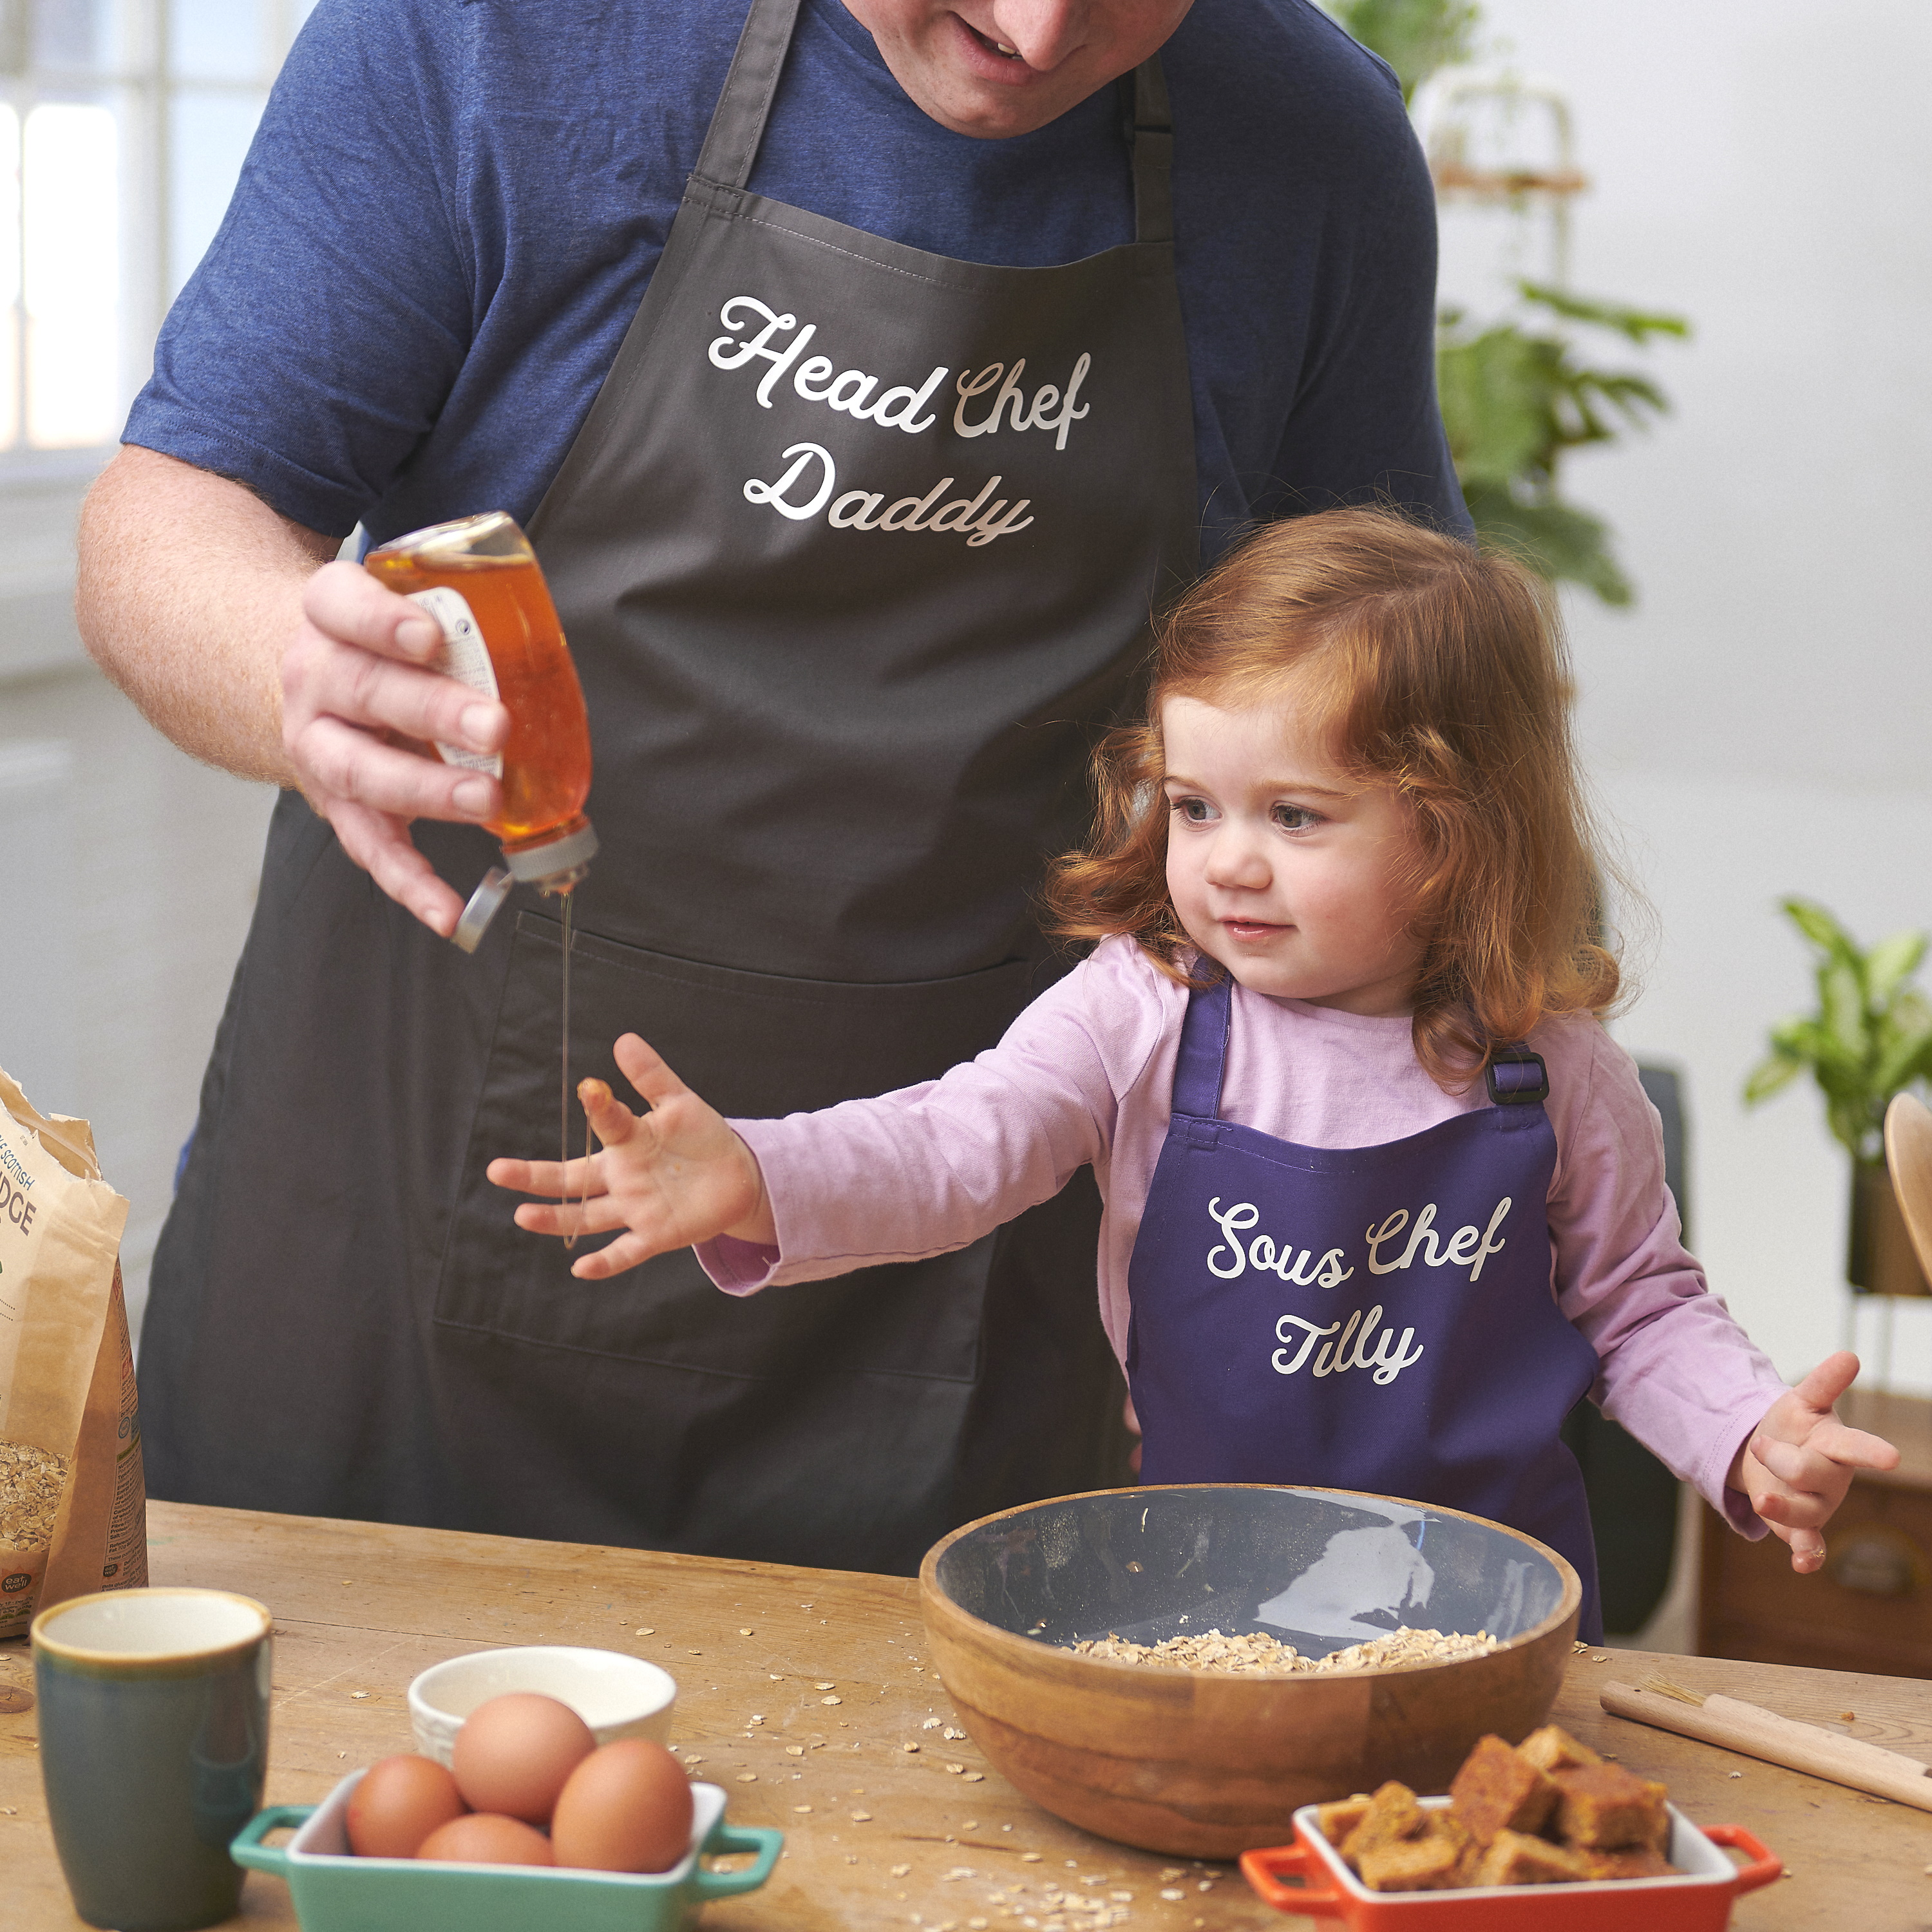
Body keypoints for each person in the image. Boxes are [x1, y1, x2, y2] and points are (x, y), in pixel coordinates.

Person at [80, 0, 1471, 1573]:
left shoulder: (1312, 147)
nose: (1032, 27)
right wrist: (290, 664)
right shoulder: (491, 38)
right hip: (390, 1275)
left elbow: (1400, 724)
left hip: (965, 1320)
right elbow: (162, 528)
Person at [488, 508, 1900, 1641]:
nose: (1227, 860)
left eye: (1295, 816)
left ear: (1457, 835)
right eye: (1196, 805)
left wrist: (1746, 1434)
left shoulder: (1553, 1069)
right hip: (1207, 1603)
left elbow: (1637, 1306)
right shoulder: (1145, 1013)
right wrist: (760, 1168)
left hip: (1499, 1622)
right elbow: (955, 1144)